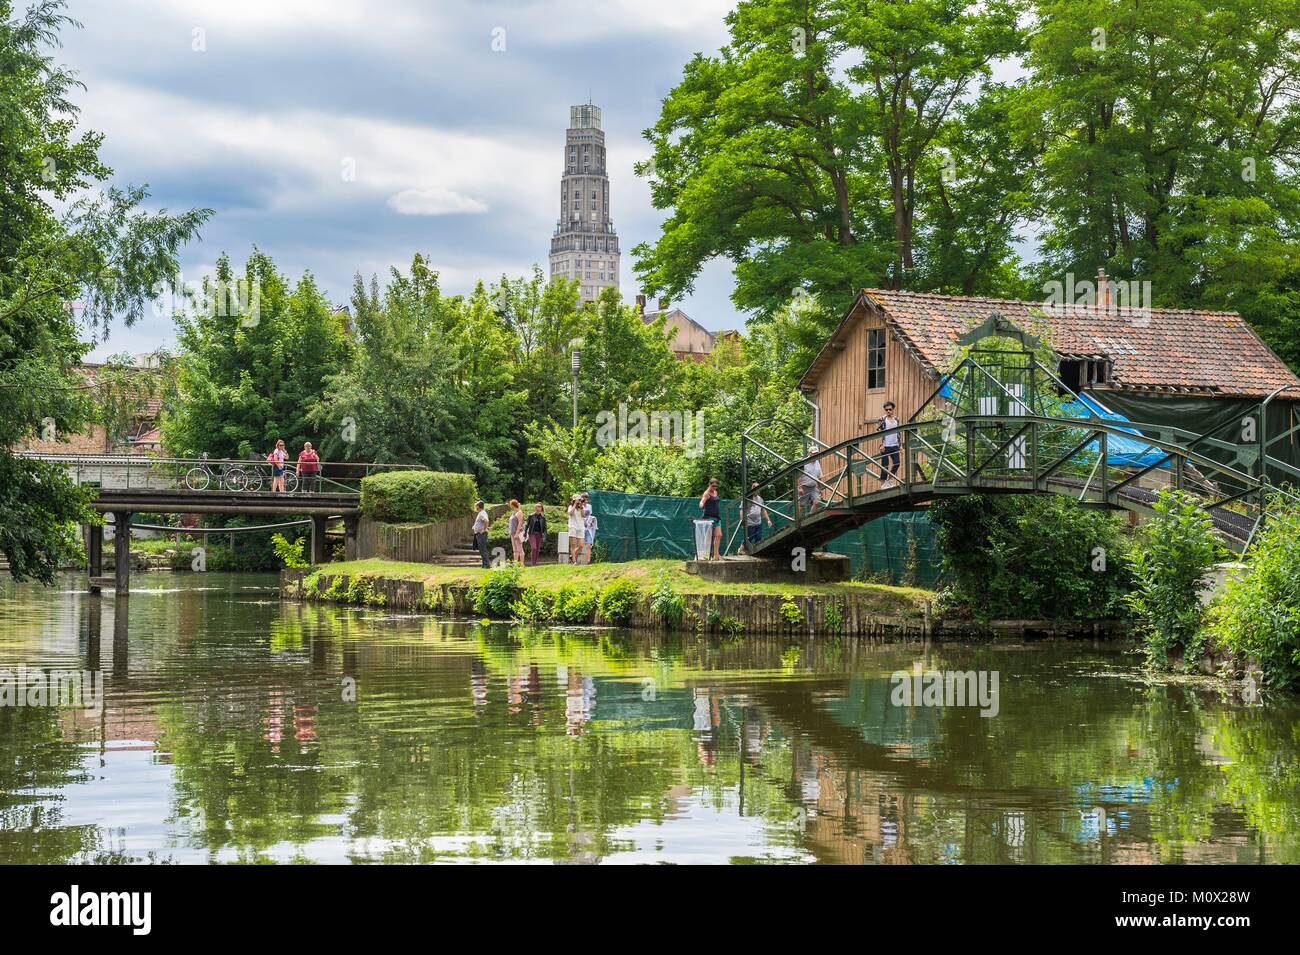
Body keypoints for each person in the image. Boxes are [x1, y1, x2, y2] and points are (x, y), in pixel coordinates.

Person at [743, 481, 773, 551]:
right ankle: (741, 550)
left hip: (758, 522)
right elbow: (742, 509)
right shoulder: (748, 498)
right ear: (752, 489)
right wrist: (743, 520)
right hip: (749, 522)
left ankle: (757, 551)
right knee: (749, 538)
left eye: (758, 488)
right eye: (756, 488)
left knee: (758, 538)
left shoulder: (760, 499)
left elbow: (763, 509)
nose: (758, 490)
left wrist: (768, 520)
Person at [878, 400, 901, 489]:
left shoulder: (896, 419)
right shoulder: (882, 419)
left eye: (890, 409)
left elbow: (898, 433)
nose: (888, 411)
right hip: (885, 446)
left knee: (897, 463)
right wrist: (881, 444)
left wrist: (901, 445)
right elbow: (878, 432)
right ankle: (883, 484)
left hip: (895, 445)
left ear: (893, 409)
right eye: (886, 410)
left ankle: (889, 480)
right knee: (885, 464)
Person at [699, 478, 722, 560]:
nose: (714, 487)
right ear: (709, 485)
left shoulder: (715, 492)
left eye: (716, 486)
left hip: (717, 517)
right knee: (708, 537)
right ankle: (705, 554)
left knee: (719, 535)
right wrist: (701, 505)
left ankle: (716, 555)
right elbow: (702, 502)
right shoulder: (706, 493)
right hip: (709, 518)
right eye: (713, 486)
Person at [566, 495, 585, 564]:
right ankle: (574, 561)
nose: (580, 501)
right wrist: (575, 504)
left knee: (581, 545)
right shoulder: (571, 507)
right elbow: (570, 513)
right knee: (573, 544)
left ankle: (572, 556)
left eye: (580, 500)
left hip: (581, 527)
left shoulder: (581, 507)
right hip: (573, 527)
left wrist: (581, 506)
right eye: (578, 500)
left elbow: (583, 515)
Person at [472, 500, 491, 568]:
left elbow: (486, 521)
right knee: (481, 549)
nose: (475, 507)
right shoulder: (481, 513)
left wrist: (483, 529)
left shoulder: (482, 513)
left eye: (476, 506)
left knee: (483, 549)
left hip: (481, 534)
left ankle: (486, 564)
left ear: (478, 506)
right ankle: (484, 564)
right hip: (479, 534)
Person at [507, 499, 525, 564]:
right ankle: (515, 565)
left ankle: (522, 565)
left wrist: (517, 534)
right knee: (515, 550)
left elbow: (520, 523)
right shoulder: (514, 512)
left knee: (520, 549)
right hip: (512, 533)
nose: (509, 506)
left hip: (517, 533)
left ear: (512, 505)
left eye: (510, 504)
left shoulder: (519, 512)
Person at [583, 497, 598, 562]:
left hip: (588, 528)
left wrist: (592, 521)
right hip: (581, 527)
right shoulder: (579, 506)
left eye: (587, 499)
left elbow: (589, 516)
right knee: (580, 545)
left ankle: (588, 561)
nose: (586, 501)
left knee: (588, 545)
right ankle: (574, 558)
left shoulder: (589, 506)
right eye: (584, 499)